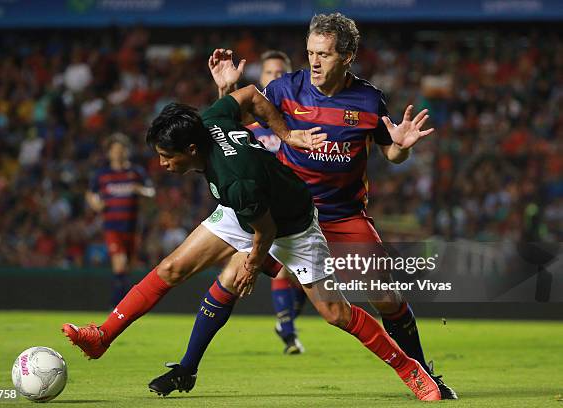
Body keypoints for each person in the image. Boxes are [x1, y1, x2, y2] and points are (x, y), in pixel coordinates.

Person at [62, 84, 441, 401]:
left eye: (166, 157)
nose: (162, 164)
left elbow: (267, 231)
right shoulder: (209, 120)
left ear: (192, 151)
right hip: (245, 210)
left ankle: (410, 369)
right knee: (171, 267)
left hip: (290, 223)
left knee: (336, 314)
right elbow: (248, 95)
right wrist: (286, 132)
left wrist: (251, 264)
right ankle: (102, 336)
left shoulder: (234, 179)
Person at [205, 12, 457, 399]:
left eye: (323, 54)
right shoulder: (284, 89)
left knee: (387, 298)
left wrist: (400, 148)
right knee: (227, 271)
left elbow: (390, 153)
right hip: (293, 214)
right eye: (310, 53)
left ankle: (424, 373)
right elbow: (230, 129)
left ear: (348, 56)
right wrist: (226, 91)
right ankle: (188, 365)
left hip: (344, 216)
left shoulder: (370, 99)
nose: (315, 62)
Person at [214, 48, 308, 354]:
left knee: (306, 281)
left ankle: (287, 320)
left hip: (303, 204)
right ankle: (288, 329)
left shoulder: (299, 121)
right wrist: (225, 90)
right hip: (265, 211)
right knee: (281, 269)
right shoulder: (246, 124)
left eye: (282, 73)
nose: (276, 78)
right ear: (261, 79)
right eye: (269, 73)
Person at [86, 133, 155, 305]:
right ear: (109, 152)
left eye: (121, 149)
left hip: (132, 227)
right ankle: (118, 304)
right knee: (120, 264)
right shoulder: (102, 174)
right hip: (112, 226)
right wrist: (96, 204)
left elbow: (151, 191)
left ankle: (123, 302)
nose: (118, 153)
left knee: (127, 267)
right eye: (114, 150)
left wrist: (140, 191)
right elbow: (91, 193)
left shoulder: (136, 172)